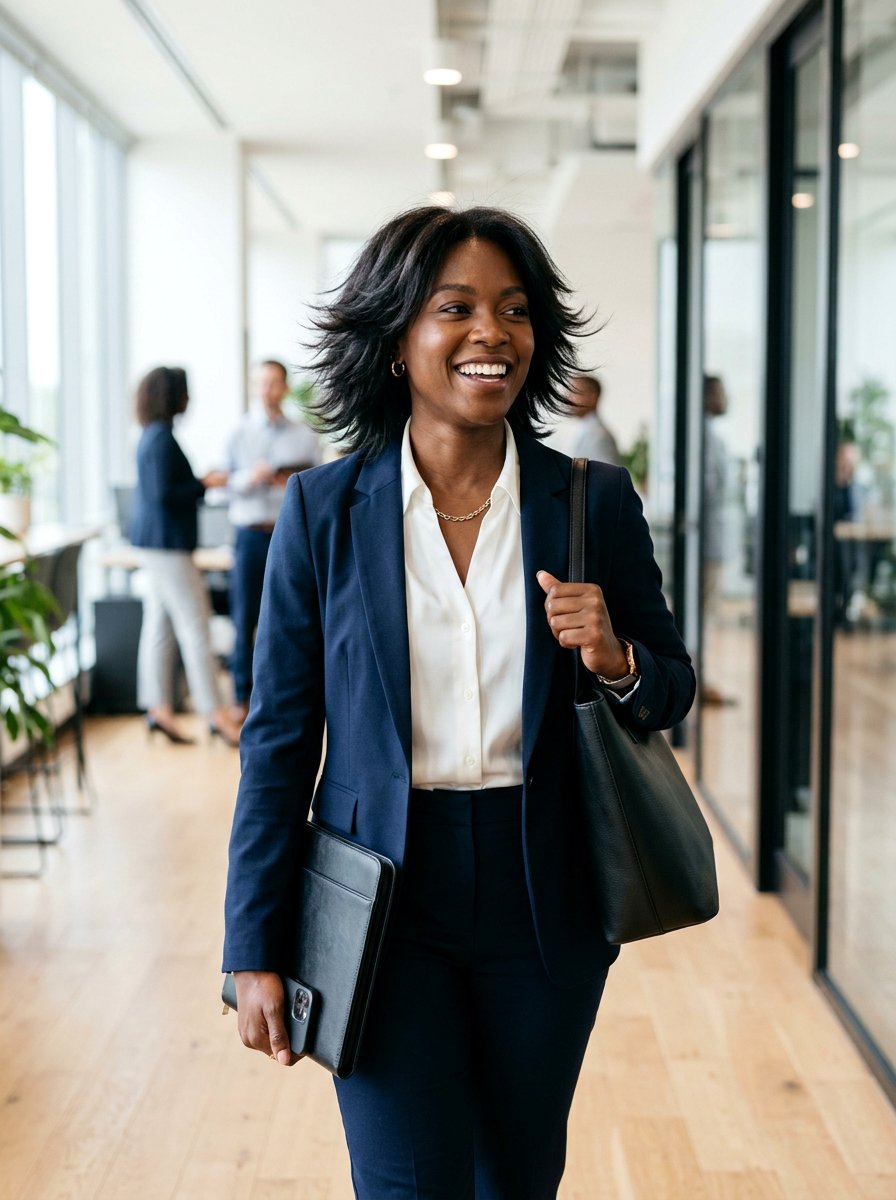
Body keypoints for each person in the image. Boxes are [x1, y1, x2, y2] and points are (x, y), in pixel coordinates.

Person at [223, 206, 695, 1199]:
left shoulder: (588, 502)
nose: (491, 332)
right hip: (378, 898)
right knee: (404, 1183)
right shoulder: (322, 513)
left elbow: (668, 689)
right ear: (397, 341)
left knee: (516, 1179)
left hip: (545, 892)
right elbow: (276, 743)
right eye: (456, 308)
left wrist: (614, 656)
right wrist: (251, 946)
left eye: (514, 311)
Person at [130, 366, 243, 747]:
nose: (189, 399)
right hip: (168, 546)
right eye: (185, 392)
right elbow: (165, 493)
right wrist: (203, 484)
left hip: (155, 545)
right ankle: (217, 714)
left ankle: (159, 708)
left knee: (160, 628)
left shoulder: (152, 436)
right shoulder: (161, 439)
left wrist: (197, 483)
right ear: (171, 396)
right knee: (197, 627)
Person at [225, 360, 321, 724]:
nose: (267, 390)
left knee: (293, 613)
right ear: (254, 386)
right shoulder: (238, 432)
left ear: (284, 387)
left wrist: (290, 481)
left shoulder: (303, 434)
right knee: (245, 615)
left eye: (274, 383)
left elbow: (316, 480)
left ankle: (291, 693)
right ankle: (241, 696)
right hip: (250, 534)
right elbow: (222, 479)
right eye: (261, 383)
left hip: (289, 534)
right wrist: (251, 477)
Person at [702, 374, 735, 705]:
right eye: (720, 391)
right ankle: (699, 682)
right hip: (706, 540)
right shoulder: (706, 438)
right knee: (704, 614)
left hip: (711, 539)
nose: (726, 398)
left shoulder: (709, 435)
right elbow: (710, 489)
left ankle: (700, 679)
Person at [546, 373, 622, 465]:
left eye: (575, 392)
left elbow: (610, 477)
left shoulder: (600, 437)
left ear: (592, 397)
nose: (568, 398)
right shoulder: (584, 430)